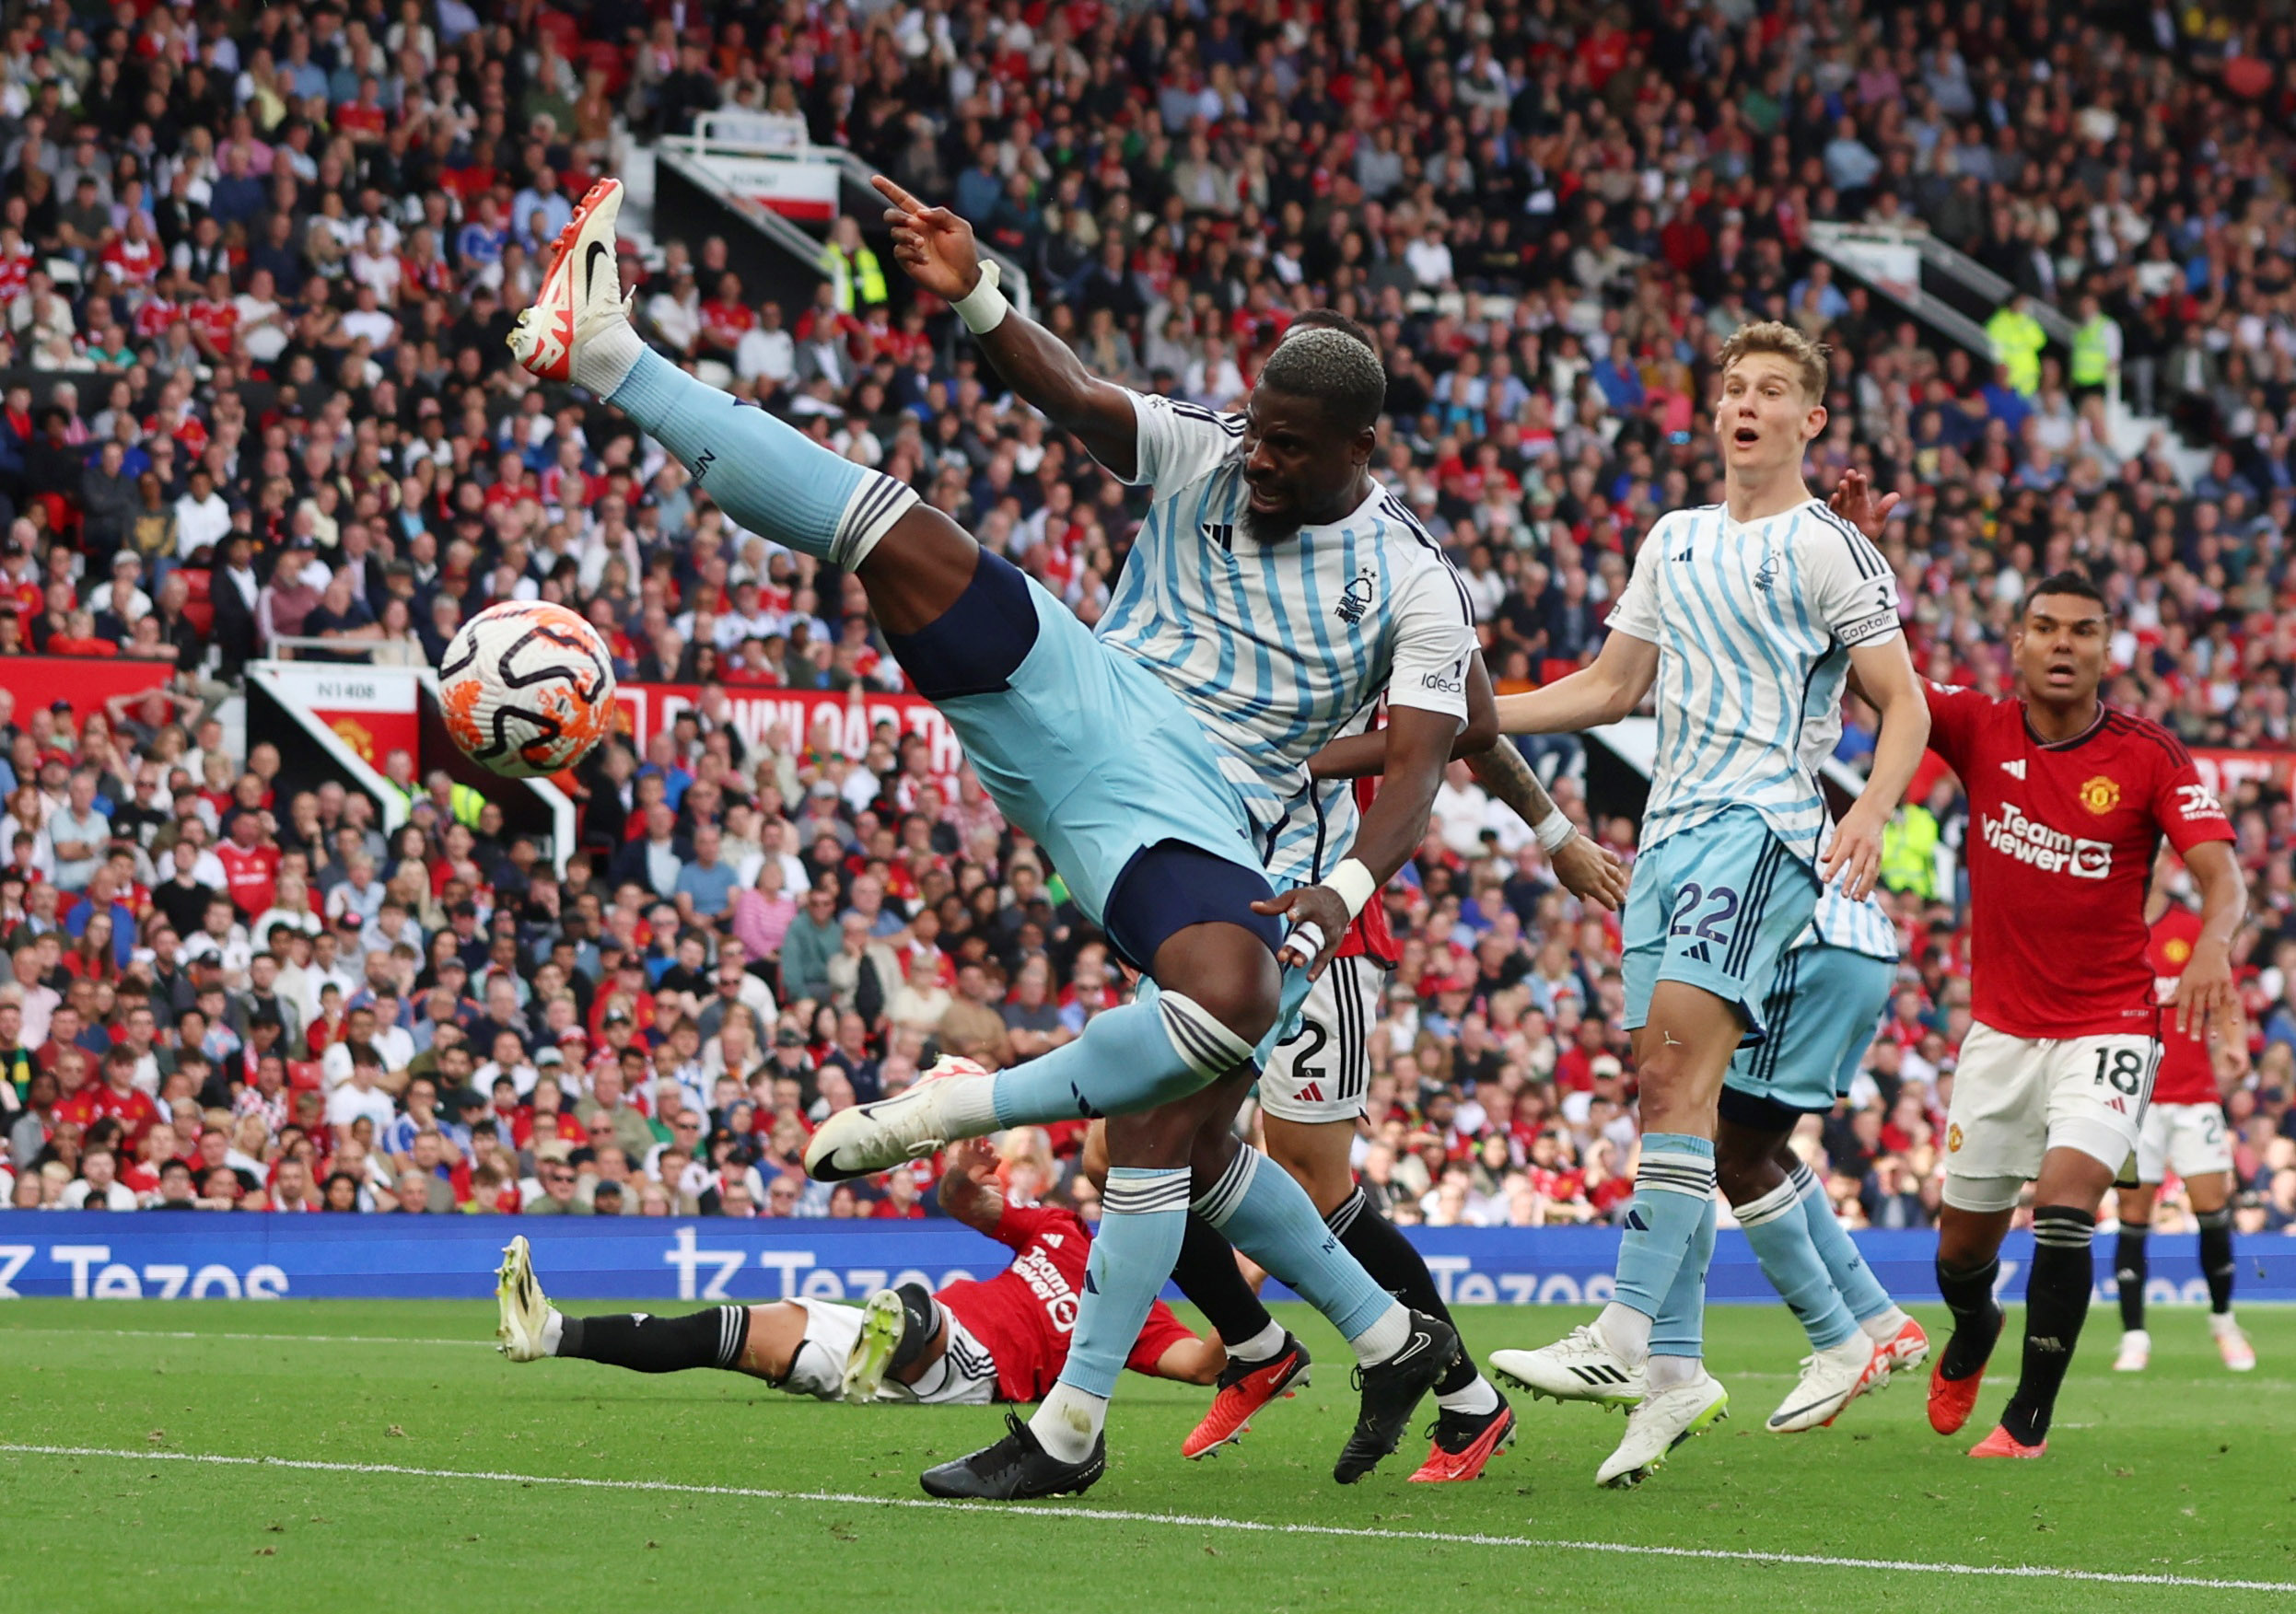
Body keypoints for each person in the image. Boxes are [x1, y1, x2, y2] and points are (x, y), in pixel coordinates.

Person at [519, 177, 1469, 1498]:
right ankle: (608, 355)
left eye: (1293, 446)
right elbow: (1074, 396)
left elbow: (1424, 762)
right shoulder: (1207, 445)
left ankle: (1119, 1408)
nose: (1259, 454)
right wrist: (974, 289)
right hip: (1092, 699)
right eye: (1257, 426)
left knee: (1182, 1123)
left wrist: (1349, 878)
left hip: (1224, 821)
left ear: (1361, 446)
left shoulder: (1415, 582)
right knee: (895, 533)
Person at [1475, 326, 1931, 1488]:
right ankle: (1678, 1371)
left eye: (1773, 390)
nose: (1747, 404)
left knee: (1683, 1082)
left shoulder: (1829, 548)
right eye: (1734, 388)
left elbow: (1904, 704)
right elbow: (1610, 687)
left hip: (1761, 830)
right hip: (1667, 836)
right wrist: (1472, 713)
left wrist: (1871, 809)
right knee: (1667, 1099)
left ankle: (1626, 1334)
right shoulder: (1672, 541)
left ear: (1809, 422)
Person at [1822, 500, 2246, 1458]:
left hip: (2110, 1024)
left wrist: (2215, 939)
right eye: (2046, 628)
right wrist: (1843, 550)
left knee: (2064, 1204)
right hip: (2002, 1032)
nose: (2064, 645)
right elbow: (1863, 667)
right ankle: (1975, 1328)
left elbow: (2224, 875)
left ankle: (2028, 1418)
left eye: (2083, 631)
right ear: (2016, 644)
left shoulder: (2147, 755)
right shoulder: (1975, 725)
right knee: (1959, 1252)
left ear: (2108, 649)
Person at [495, 1140, 1225, 1411]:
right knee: (729, 1328)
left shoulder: (1144, 1313)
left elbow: (1196, 1365)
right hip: (913, 1336)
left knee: (914, 1310)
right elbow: (962, 1203)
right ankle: (553, 1331)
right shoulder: (1062, 1230)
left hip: (972, 1370)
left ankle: (887, 1348)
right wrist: (959, 1174)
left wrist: (1239, 1316)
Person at [1626, 885, 1928, 1434]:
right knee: (1762, 1145)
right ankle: (1882, 1320)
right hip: (1859, 945)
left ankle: (1838, 1342)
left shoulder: (1694, 817)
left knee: (1734, 1159)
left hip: (1805, 951)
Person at [2112, 854, 2255, 1375]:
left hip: (2194, 1095)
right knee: (2133, 1218)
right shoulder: (2111, 926)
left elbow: (2225, 996)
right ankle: (2134, 1336)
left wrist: (2235, 1044)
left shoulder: (2190, 928)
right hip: (2133, 1099)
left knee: (2212, 1210)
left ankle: (2223, 1321)